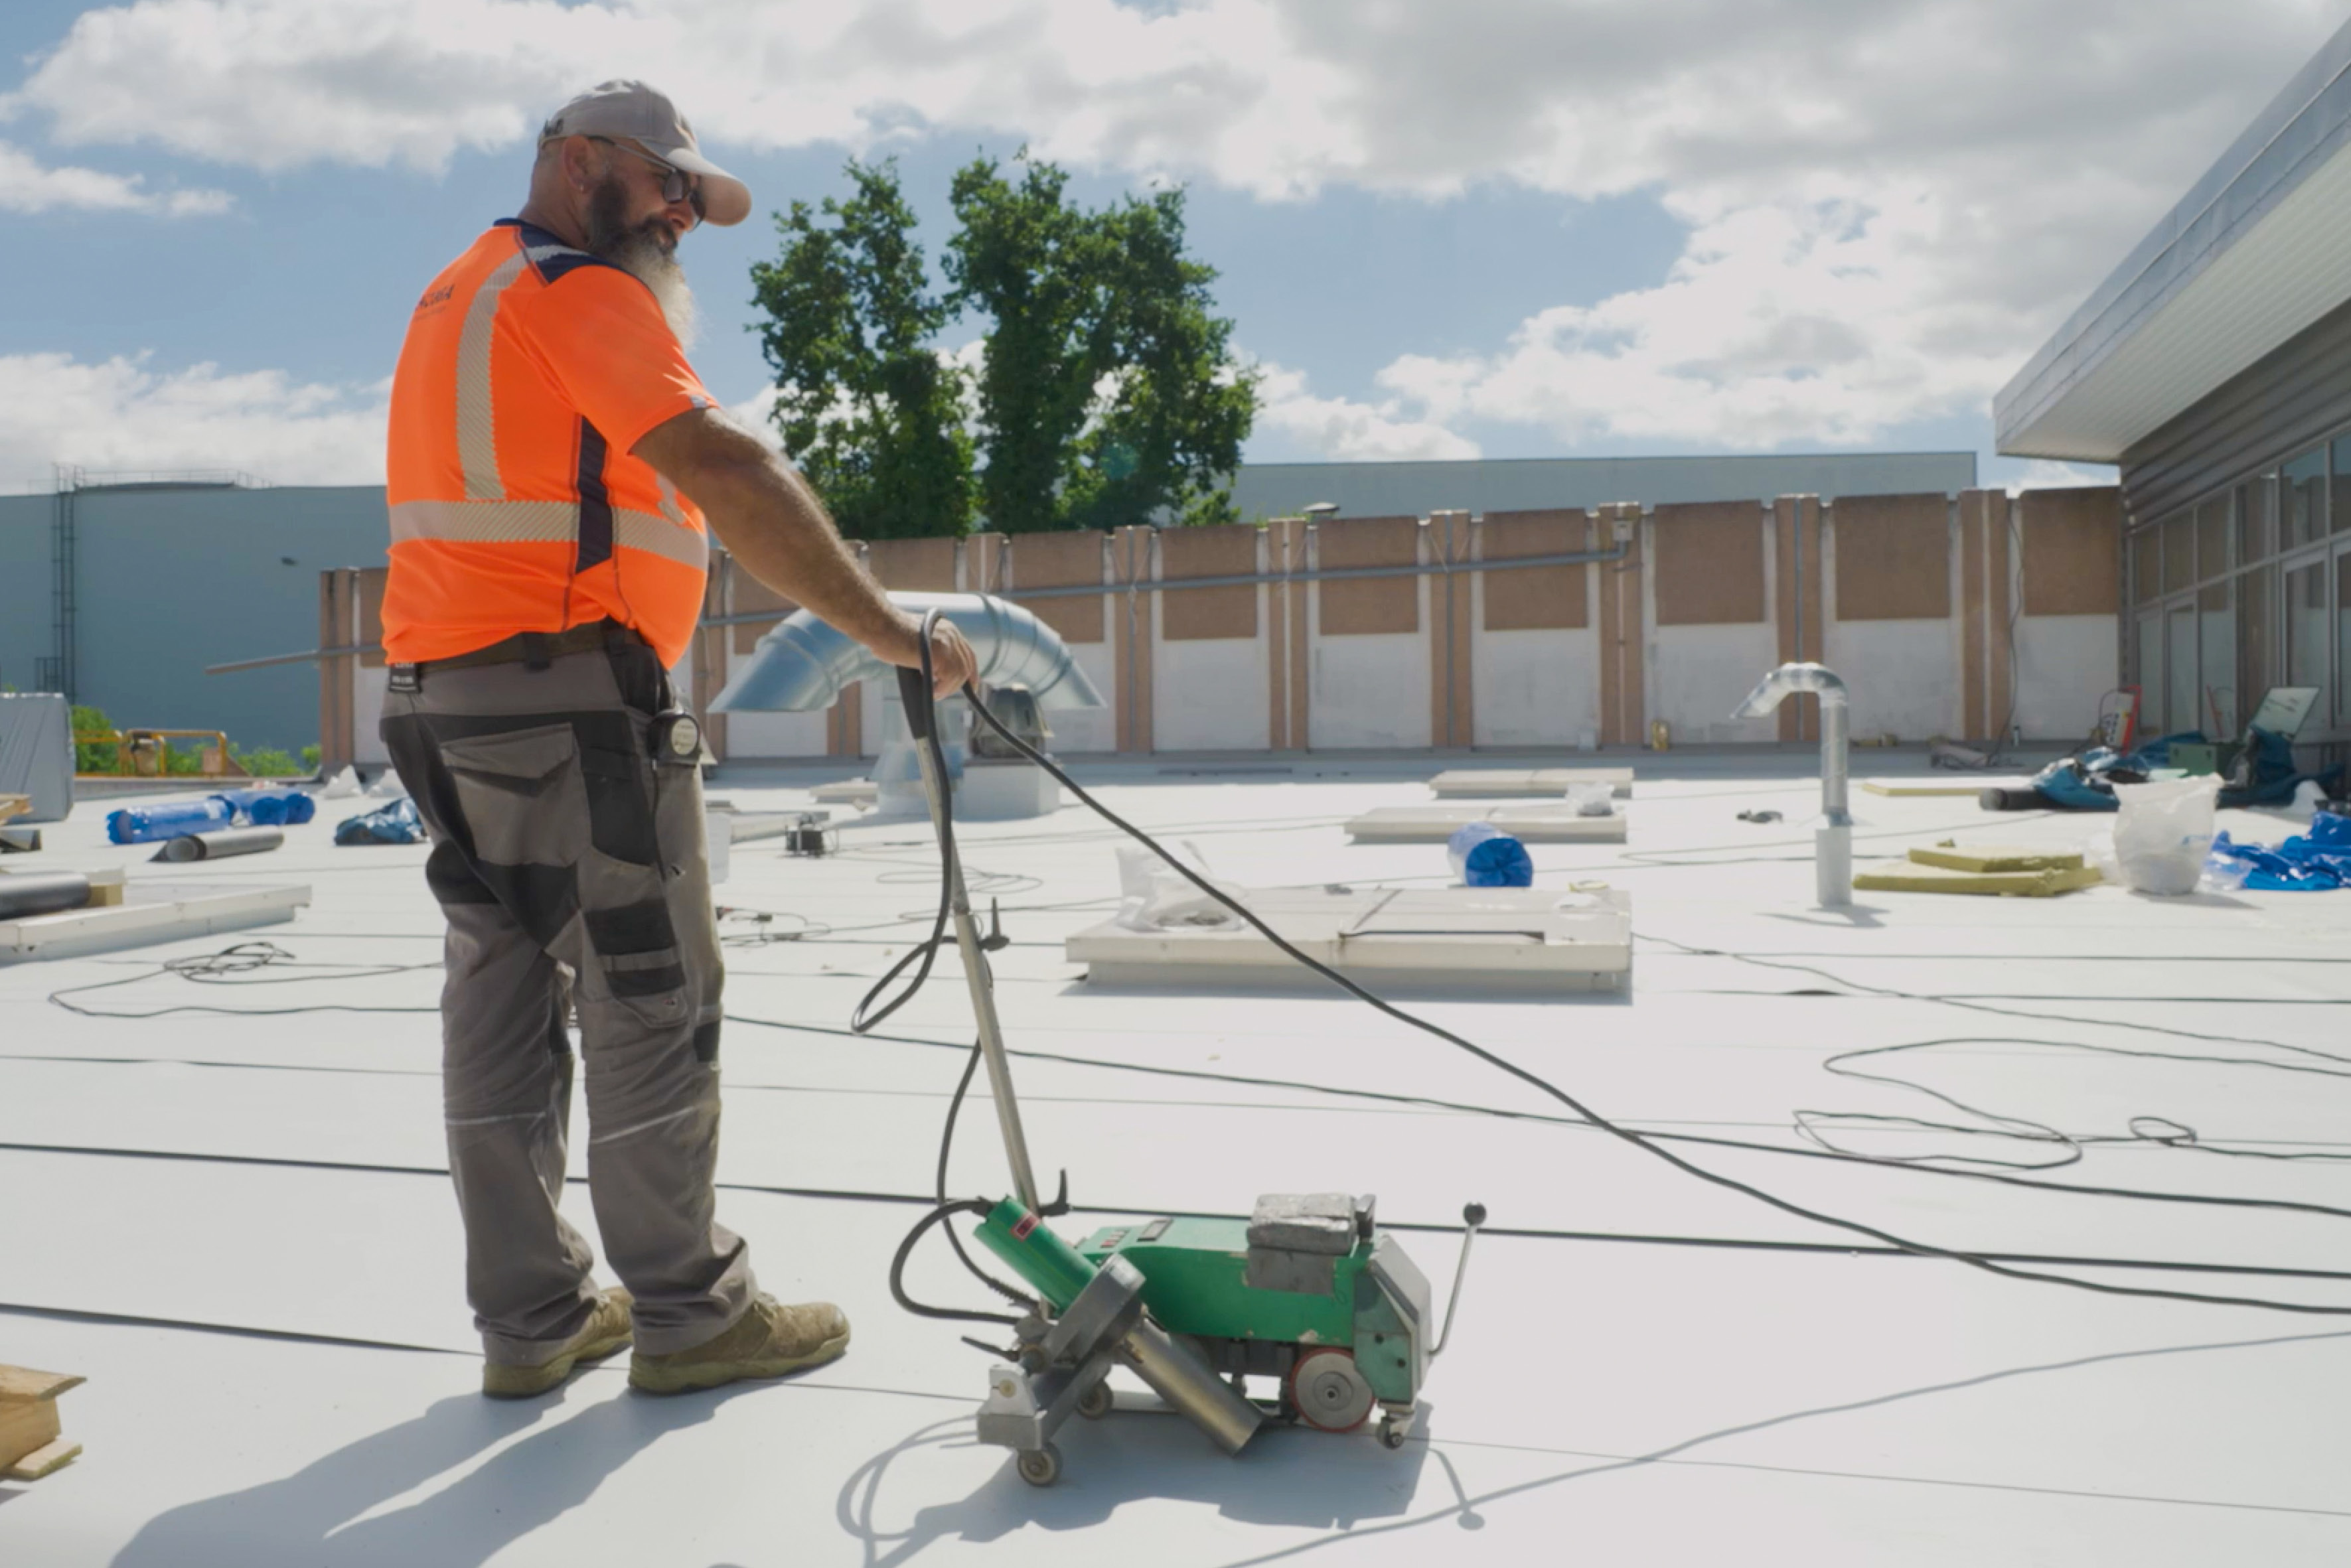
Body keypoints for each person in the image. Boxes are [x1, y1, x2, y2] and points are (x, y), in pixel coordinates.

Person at [377, 80, 976, 1399]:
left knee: (500, 999)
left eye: (693, 202)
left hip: (441, 702)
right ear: (578, 159)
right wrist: (888, 633)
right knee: (651, 996)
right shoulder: (571, 288)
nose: (680, 219)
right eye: (666, 186)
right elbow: (726, 467)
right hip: (571, 706)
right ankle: (691, 1312)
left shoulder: (457, 292)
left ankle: (532, 1320)